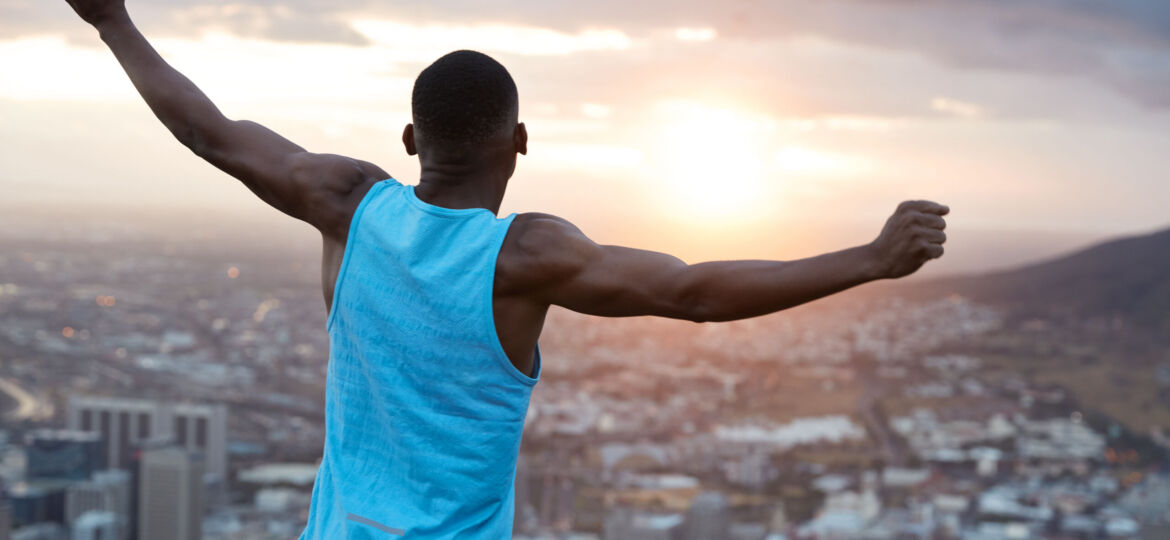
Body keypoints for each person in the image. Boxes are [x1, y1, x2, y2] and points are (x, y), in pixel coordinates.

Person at [65, 1, 948, 538]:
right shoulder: (524, 257)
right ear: (519, 144)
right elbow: (692, 293)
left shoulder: (349, 204)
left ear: (410, 141)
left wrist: (114, 21)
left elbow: (208, 132)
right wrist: (868, 260)